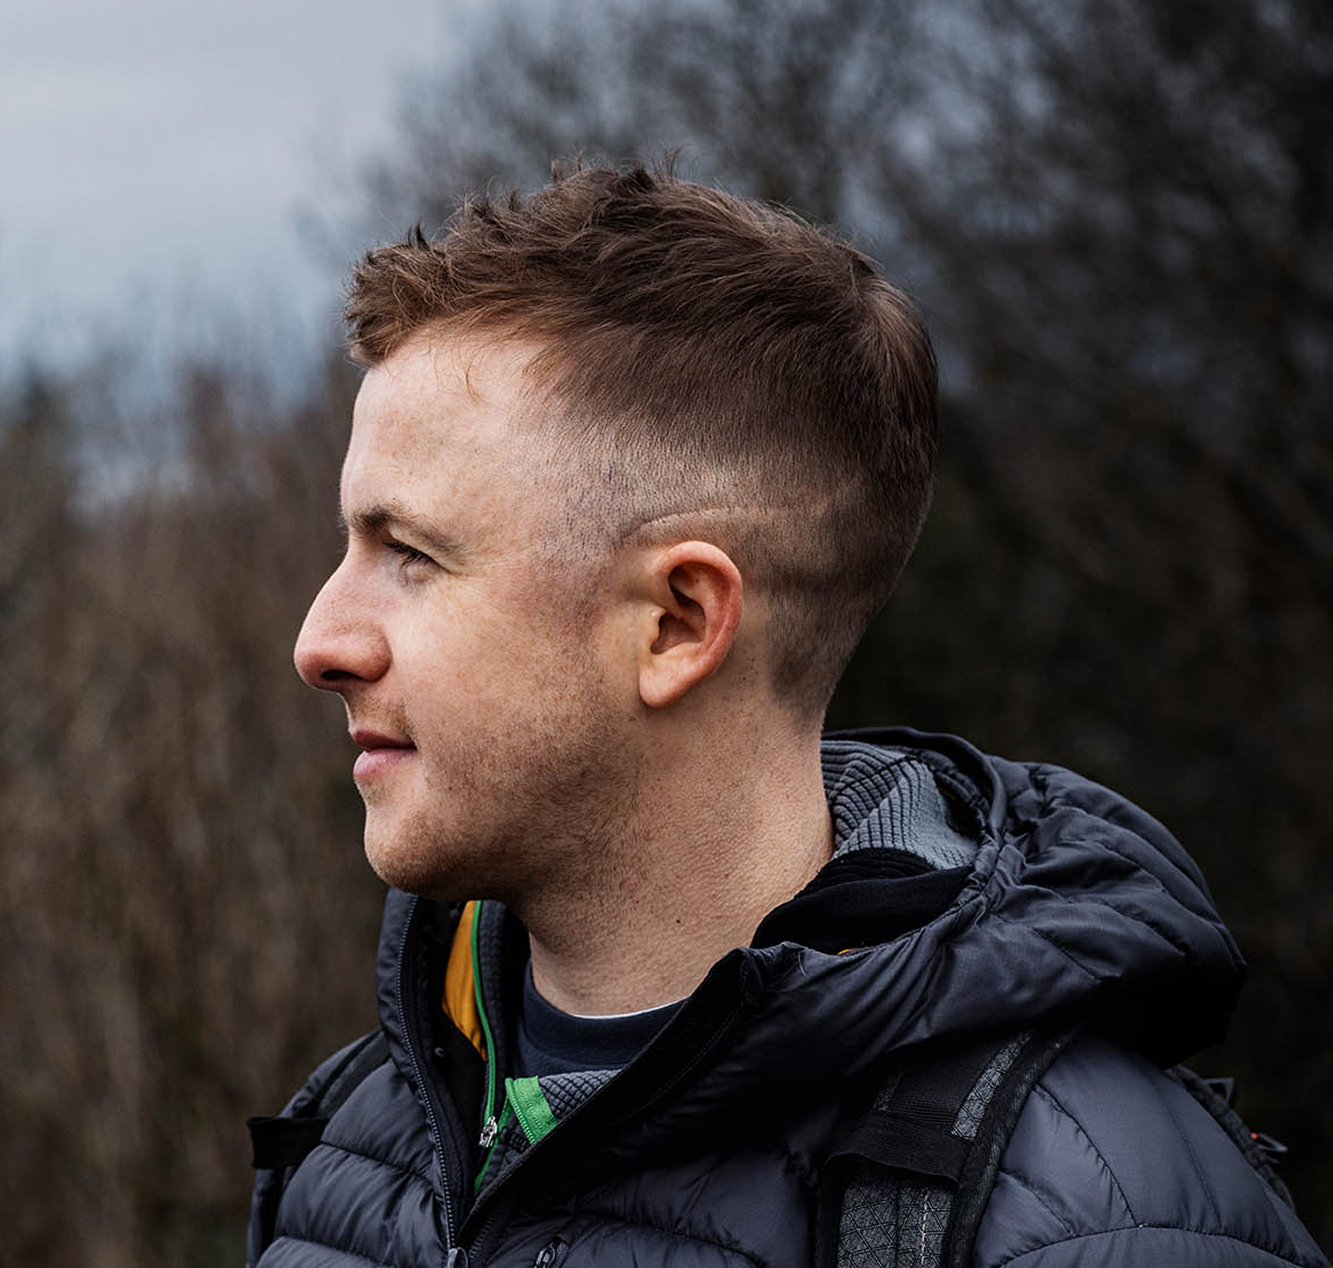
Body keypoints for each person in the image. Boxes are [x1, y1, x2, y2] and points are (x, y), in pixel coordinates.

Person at [250, 164, 1325, 1267]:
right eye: (351, 546)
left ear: (677, 622)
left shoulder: (1094, 1218)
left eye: (412, 555)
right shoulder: (354, 1137)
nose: (321, 640)